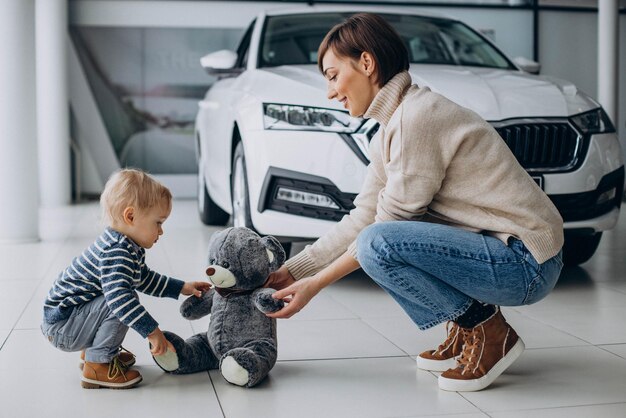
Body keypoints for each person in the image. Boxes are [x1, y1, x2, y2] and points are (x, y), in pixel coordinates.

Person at [266, 13, 564, 392]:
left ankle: (486, 329)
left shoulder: (416, 118)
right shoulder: (393, 125)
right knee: (378, 238)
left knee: (379, 245)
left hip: (526, 263)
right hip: (505, 252)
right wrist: (294, 271)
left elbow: (381, 232)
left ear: (367, 63)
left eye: (332, 75)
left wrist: (315, 286)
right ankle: (464, 324)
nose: (330, 92)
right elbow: (364, 216)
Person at [41, 168, 210, 389]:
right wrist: (152, 332)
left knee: (120, 295)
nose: (161, 231)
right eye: (158, 223)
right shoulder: (117, 251)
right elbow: (120, 300)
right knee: (121, 301)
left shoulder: (126, 245)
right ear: (130, 216)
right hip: (63, 326)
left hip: (70, 318)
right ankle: (97, 364)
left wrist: (181, 287)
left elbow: (144, 278)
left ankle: (96, 351)